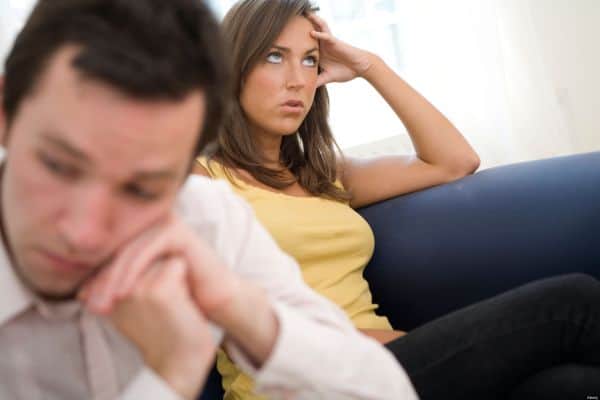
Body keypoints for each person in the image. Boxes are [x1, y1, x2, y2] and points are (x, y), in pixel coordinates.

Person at [0, 0, 419, 399]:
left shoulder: (207, 215)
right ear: (5, 113)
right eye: (59, 167)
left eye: (144, 189)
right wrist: (174, 373)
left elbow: (388, 389)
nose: (85, 234)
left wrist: (244, 313)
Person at [194, 0, 600, 399]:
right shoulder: (198, 180)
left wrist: (370, 66)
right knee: (570, 304)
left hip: (387, 368)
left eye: (309, 60)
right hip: (305, 385)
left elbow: (454, 161)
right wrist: (387, 345)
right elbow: (238, 331)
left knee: (567, 385)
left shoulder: (324, 174)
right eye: (275, 56)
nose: (298, 80)